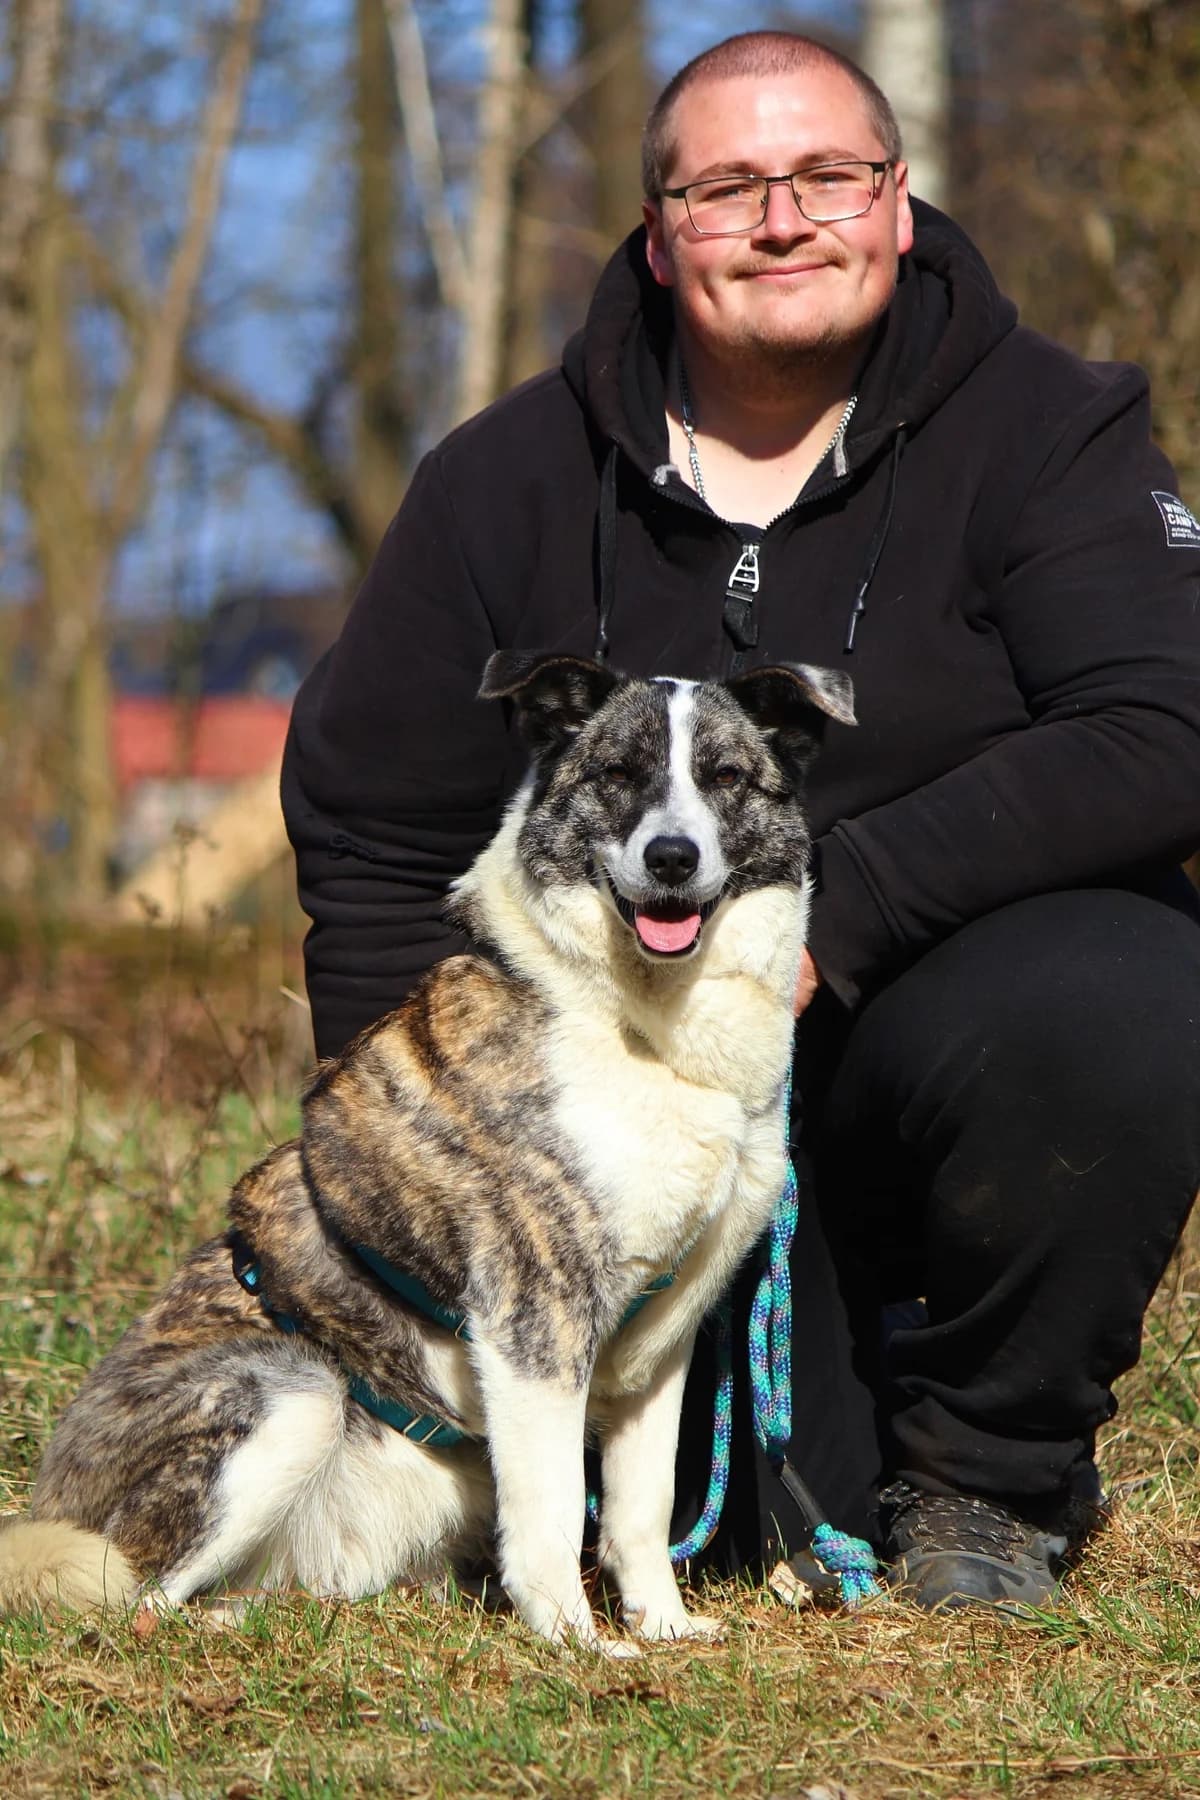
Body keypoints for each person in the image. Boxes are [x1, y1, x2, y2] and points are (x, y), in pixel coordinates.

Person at [282, 30, 1200, 1611]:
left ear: (898, 202)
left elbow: (1169, 720)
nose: (785, 219)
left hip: (915, 1044)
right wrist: (422, 1155)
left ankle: (986, 1477)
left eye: (828, 175)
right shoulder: (503, 477)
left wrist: (843, 918)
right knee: (729, 1536)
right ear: (659, 233)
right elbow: (370, 827)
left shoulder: (1053, 429)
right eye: (726, 188)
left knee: (1129, 989)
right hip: (600, 1110)